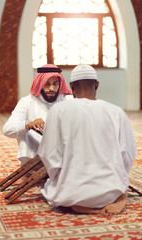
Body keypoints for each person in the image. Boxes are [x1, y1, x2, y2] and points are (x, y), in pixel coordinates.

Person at [37, 64, 136, 216]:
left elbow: (48, 154)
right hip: (109, 191)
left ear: (71, 86)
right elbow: (128, 154)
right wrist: (116, 177)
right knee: (120, 185)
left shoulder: (58, 110)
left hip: (71, 193)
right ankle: (119, 198)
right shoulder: (116, 112)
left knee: (47, 185)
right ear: (97, 85)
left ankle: (78, 205)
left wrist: (59, 178)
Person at [3, 64, 72, 166]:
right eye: (47, 84)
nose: (51, 88)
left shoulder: (68, 100)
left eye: (55, 84)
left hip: (64, 158)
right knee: (25, 130)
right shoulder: (27, 102)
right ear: (40, 84)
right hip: (35, 162)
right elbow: (7, 129)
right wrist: (28, 124)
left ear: (60, 84)